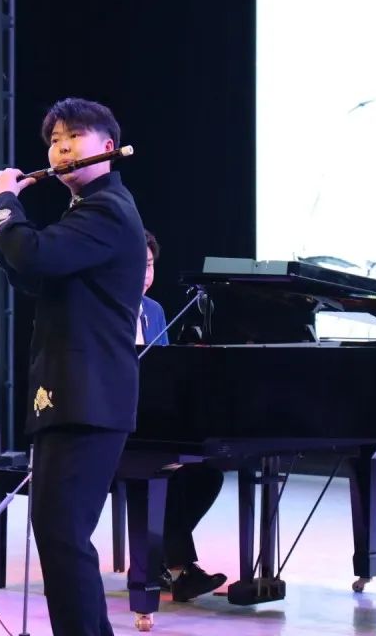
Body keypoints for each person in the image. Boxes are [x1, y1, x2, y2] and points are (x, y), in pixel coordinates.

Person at [0, 97, 146, 636]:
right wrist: (0, 217)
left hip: (89, 395)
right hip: (71, 394)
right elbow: (36, 273)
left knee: (62, 534)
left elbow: (38, 254)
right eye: (54, 140)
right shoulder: (86, 210)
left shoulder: (107, 209)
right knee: (58, 533)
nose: (62, 148)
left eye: (74, 137)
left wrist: (4, 205)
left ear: (108, 147)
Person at [138, 229, 228, 602]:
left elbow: (162, 376)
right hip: (114, 425)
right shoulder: (102, 310)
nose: (144, 274)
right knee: (165, 474)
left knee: (208, 475)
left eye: (149, 265)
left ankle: (169, 563)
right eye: (136, 265)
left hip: (150, 421)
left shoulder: (154, 310)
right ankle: (179, 568)